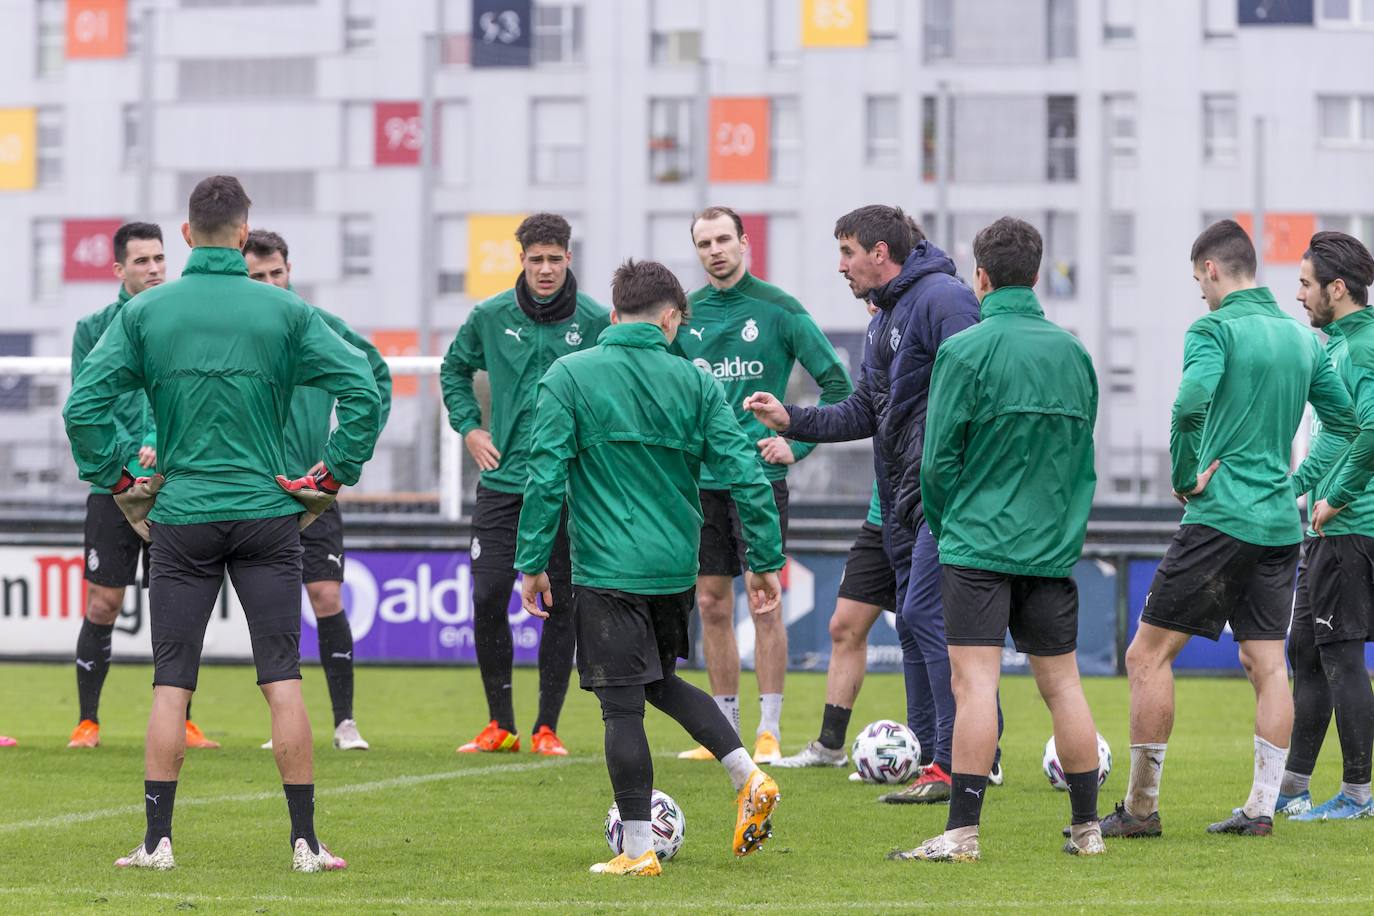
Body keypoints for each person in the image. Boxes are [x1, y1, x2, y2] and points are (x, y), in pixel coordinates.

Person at [64, 175, 382, 872]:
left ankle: (156, 843)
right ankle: (305, 843)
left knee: (171, 680)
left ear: (184, 237)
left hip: (181, 517)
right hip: (268, 516)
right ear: (245, 235)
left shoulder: (148, 312)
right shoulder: (284, 310)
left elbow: (82, 407)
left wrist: (119, 478)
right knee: (283, 679)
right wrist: (332, 473)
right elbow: (363, 384)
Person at [515, 259, 783, 877]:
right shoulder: (697, 382)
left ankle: (636, 851)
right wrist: (763, 561)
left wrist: (532, 561)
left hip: (608, 569)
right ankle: (748, 775)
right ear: (670, 319)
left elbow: (545, 473)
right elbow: (745, 472)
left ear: (612, 315)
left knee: (620, 708)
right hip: (673, 570)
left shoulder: (569, 375)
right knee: (659, 681)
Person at [1107, 219, 1359, 839]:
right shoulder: (1303, 342)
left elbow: (1190, 404)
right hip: (1278, 526)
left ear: (1214, 269)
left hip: (1220, 517)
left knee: (1147, 655)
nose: (1200, 292)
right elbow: (1349, 425)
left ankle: (1140, 810)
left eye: (1199, 280)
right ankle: (1261, 809)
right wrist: (1298, 483)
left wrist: (1186, 472)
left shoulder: (1214, 329)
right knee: (1267, 663)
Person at [745, 205, 981, 803]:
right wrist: (791, 418)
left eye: (848, 252)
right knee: (910, 627)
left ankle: (959, 763)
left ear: (881, 252)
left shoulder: (944, 299)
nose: (841, 265)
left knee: (928, 618)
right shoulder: (883, 321)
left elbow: (979, 390)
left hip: (943, 494)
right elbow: (865, 413)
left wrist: (952, 472)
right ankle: (929, 758)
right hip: (900, 497)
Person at [892, 217, 1103, 862]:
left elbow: (937, 463)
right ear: (1036, 275)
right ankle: (1088, 830)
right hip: (1049, 546)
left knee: (974, 686)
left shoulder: (965, 350)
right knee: (1063, 685)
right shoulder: (1074, 353)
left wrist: (950, 524)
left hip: (977, 544)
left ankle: (962, 834)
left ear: (979, 276)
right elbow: (1080, 457)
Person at [673, 206, 852, 764]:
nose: (715, 251)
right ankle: (723, 732)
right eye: (704, 243)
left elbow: (839, 384)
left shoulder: (778, 309)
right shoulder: (683, 316)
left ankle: (768, 731)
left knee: (764, 598)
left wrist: (794, 442)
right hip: (699, 482)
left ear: (744, 243)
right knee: (710, 602)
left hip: (759, 479)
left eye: (724, 239)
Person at [441, 213, 609, 756]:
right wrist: (469, 427)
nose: (544, 269)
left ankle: (546, 728)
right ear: (521, 260)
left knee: (560, 603)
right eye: (534, 259)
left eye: (553, 259)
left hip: (565, 488)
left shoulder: (594, 320)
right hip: (503, 481)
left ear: (568, 259)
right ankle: (501, 724)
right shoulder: (489, 316)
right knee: (488, 594)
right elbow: (453, 370)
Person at [67, 221, 219, 752]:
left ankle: (184, 720)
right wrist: (130, 456)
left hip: (173, 486)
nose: (154, 269)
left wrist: (161, 441)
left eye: (160, 259)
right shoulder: (92, 328)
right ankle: (88, 721)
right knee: (104, 602)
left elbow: (185, 397)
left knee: (174, 604)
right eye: (142, 262)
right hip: (114, 484)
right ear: (119, 270)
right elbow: (88, 403)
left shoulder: (182, 319)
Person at [243, 229, 393, 752]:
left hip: (312, 489)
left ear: (290, 272)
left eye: (274, 273)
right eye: (256, 275)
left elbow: (374, 375)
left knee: (326, 596)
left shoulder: (318, 326)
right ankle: (283, 723)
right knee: (274, 607)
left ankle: (345, 721)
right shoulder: (234, 332)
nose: (267, 283)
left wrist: (341, 454)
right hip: (253, 491)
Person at [1279, 231, 1374, 821]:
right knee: (1305, 652)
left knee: (1340, 657)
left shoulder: (1360, 349)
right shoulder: (1335, 346)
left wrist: (1334, 498)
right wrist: (1288, 491)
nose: (1299, 295)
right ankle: (1292, 786)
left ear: (1337, 289)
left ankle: (1359, 794)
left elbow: (1370, 430)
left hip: (1348, 527)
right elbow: (1330, 438)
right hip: (1324, 529)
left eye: (1307, 284)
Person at [774, 481, 894, 769]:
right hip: (881, 521)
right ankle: (830, 745)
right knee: (844, 626)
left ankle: (970, 756)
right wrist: (797, 434)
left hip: (928, 522)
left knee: (938, 635)